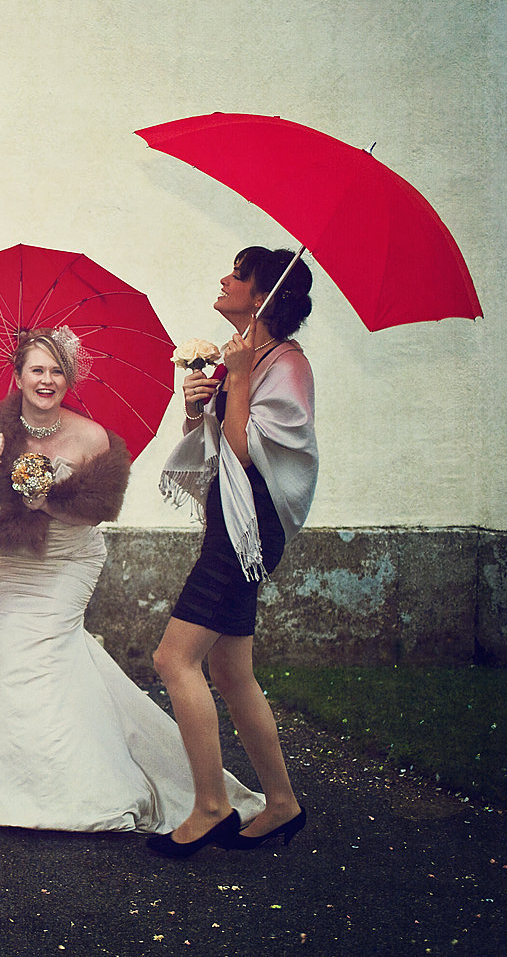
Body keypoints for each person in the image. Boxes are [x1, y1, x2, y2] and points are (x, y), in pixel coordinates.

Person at [0, 329, 265, 832]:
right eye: (37, 370)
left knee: (44, 648)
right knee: (9, 647)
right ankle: (6, 779)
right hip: (9, 562)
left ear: (70, 378)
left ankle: (75, 785)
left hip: (69, 559)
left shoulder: (94, 437)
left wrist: (48, 501)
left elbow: (100, 511)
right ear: (18, 376)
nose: (47, 380)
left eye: (57, 371)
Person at [149, 246, 318, 858]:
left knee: (174, 659)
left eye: (238, 275)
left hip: (248, 530)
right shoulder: (251, 357)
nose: (223, 279)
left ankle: (211, 804)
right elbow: (218, 448)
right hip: (231, 522)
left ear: (263, 296)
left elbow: (251, 457)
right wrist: (200, 406)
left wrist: (240, 379)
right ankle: (281, 803)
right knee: (229, 670)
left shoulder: (285, 366)